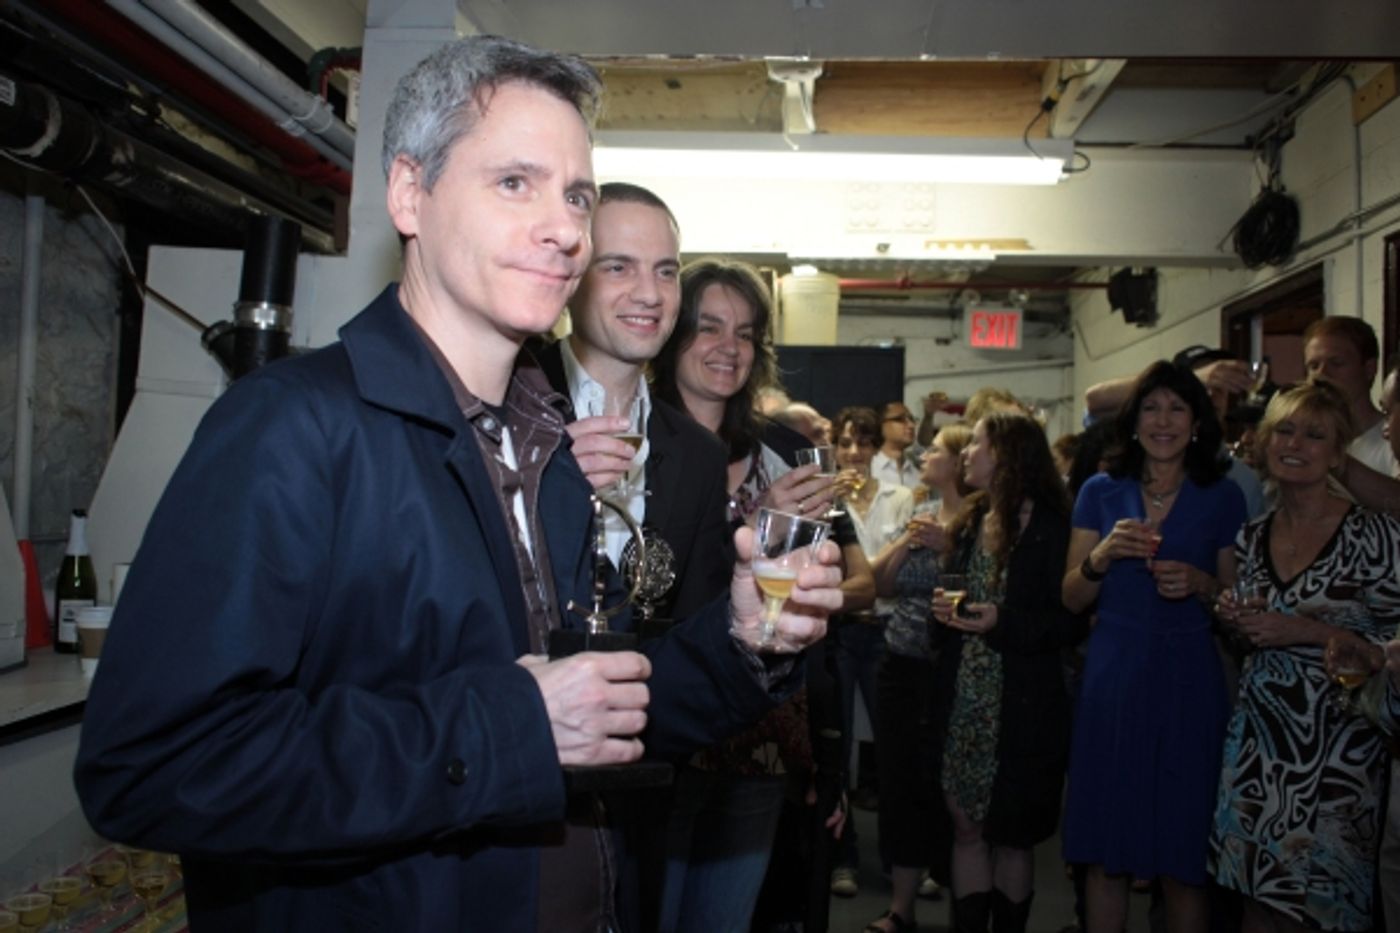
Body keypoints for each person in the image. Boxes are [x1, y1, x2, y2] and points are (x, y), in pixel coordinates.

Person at [72, 36, 845, 932]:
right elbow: (153, 764)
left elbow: (599, 708)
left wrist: (742, 640)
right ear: (410, 193)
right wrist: (508, 728)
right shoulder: (294, 427)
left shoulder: (545, 454)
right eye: (514, 182)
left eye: (576, 195)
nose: (563, 227)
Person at [651, 256, 866, 932]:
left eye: (745, 333)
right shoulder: (638, 441)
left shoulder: (783, 448)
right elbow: (650, 585)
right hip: (667, 716)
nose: (729, 347)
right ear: (672, 333)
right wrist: (754, 523)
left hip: (764, 732)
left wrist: (824, 760)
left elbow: (828, 594)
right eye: (709, 327)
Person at [1061, 360, 1246, 933]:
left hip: (1189, 678)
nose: (1163, 420)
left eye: (1177, 408)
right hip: (1114, 676)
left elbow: (1237, 610)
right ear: (1133, 420)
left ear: (1197, 421)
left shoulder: (1222, 496)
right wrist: (1102, 556)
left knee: (1183, 855)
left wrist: (1202, 587)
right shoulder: (1101, 490)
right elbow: (1070, 598)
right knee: (1105, 849)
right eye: (1151, 407)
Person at [1211, 382, 1400, 932]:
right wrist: (1238, 620)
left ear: (1339, 452)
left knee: (1319, 913)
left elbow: (1389, 653)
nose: (1296, 443)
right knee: (1253, 900)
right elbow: (1255, 637)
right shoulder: (1252, 536)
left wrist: (1302, 631)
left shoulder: (1377, 535)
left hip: (1338, 751)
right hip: (1257, 744)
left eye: (1315, 435)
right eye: (1285, 430)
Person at [531, 181, 731, 626]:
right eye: (618, 267)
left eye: (665, 271)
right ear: (572, 275)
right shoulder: (504, 406)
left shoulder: (700, 457)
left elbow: (695, 638)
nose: (650, 294)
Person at [923, 413, 1085, 933]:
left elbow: (1069, 622)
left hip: (1023, 702)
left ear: (1009, 456)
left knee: (1013, 837)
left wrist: (1002, 621)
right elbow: (956, 590)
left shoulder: (1054, 529)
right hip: (965, 694)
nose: (967, 453)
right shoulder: (972, 519)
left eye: (977, 444)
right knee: (966, 828)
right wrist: (948, 613)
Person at [864, 422, 974, 931]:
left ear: (958, 464)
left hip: (952, 670)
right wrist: (910, 542)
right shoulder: (921, 512)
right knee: (901, 785)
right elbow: (878, 584)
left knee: (949, 791)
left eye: (936, 450)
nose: (926, 455)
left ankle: (964, 909)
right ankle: (900, 908)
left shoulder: (981, 521)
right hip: (901, 665)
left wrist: (949, 543)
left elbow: (990, 583)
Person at [826, 406, 914, 898]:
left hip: (885, 631)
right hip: (839, 633)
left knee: (893, 754)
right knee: (836, 753)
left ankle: (900, 863)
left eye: (862, 443)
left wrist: (870, 576)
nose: (854, 453)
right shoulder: (827, 502)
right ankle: (843, 859)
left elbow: (896, 580)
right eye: (844, 444)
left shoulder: (901, 498)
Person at [1303, 315, 1398, 477]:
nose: (1320, 374)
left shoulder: (1391, 442)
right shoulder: (1303, 443)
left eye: (1336, 363)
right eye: (1313, 366)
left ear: (1369, 369)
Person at [872, 401, 923, 489]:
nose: (911, 425)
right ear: (879, 425)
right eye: (900, 419)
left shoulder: (918, 472)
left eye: (912, 419)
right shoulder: (870, 470)